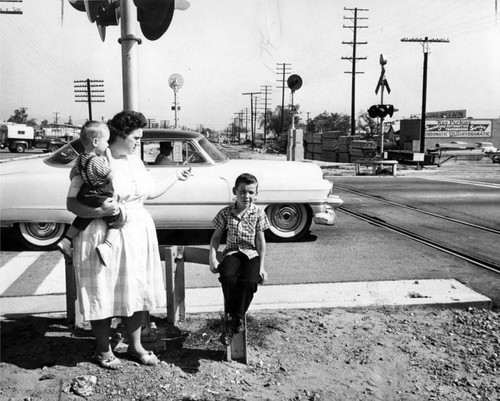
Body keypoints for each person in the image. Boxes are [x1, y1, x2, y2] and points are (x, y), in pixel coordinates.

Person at [67, 111, 191, 369]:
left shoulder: (134, 161)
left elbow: (150, 192)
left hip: (137, 230)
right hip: (101, 232)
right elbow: (72, 203)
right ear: (120, 135)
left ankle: (135, 346)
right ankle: (103, 349)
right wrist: (101, 211)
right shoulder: (93, 160)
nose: (139, 142)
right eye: (136, 137)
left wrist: (175, 177)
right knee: (102, 289)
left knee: (135, 288)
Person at [208, 173, 270, 345]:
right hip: (232, 252)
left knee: (250, 282)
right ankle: (234, 319)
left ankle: (234, 320)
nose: (246, 196)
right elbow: (215, 237)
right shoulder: (226, 213)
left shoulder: (258, 213)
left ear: (256, 193)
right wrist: (212, 258)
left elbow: (260, 241)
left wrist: (262, 267)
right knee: (227, 276)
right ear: (235, 191)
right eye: (242, 192)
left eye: (251, 192)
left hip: (251, 253)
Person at [56, 121, 125, 267]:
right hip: (100, 194)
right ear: (95, 141)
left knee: (83, 218)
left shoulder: (81, 157)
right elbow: (110, 175)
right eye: (106, 141)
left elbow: (73, 174)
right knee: (117, 218)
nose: (107, 145)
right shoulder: (97, 160)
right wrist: (109, 158)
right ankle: (107, 246)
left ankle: (66, 240)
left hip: (86, 194)